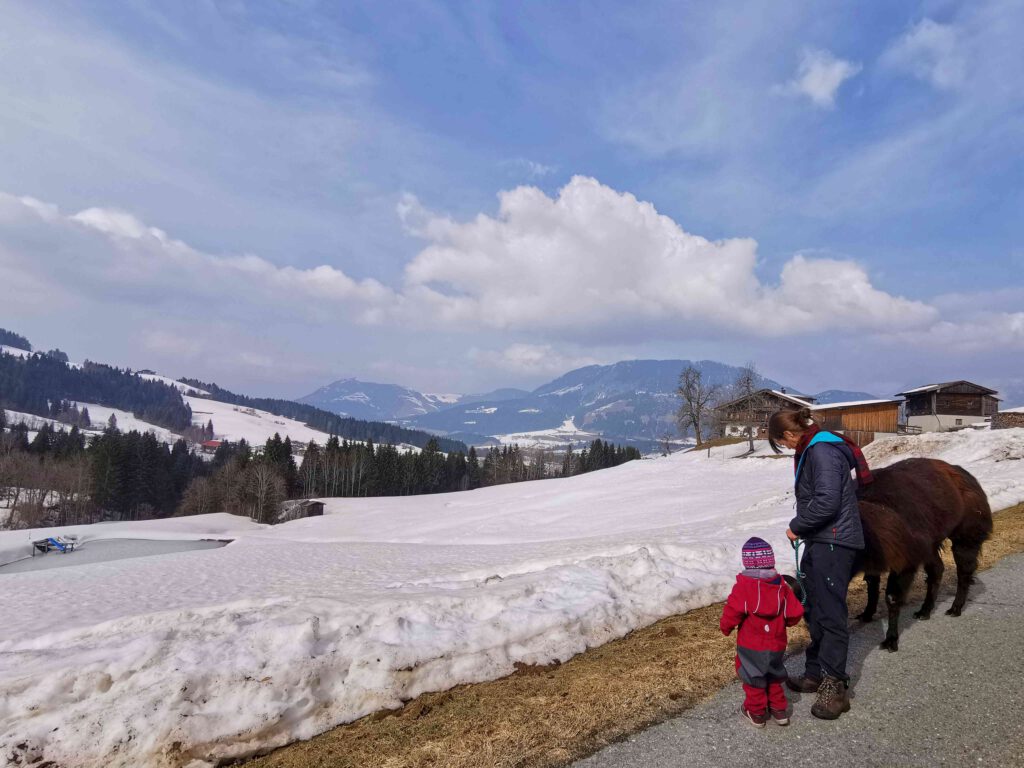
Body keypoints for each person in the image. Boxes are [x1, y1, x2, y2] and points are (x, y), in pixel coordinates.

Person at [767, 406, 871, 720]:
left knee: (831, 611)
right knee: (814, 608)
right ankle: (815, 672)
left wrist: (798, 525)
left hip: (834, 540)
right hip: (822, 537)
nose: (783, 448)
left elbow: (828, 501)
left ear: (788, 434)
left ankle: (835, 686)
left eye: (780, 442)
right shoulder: (814, 448)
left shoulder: (822, 450)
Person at [720, 536, 804, 728]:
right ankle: (779, 710)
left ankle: (756, 711)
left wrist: (726, 627)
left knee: (753, 676)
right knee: (774, 673)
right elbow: (796, 612)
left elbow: (732, 610)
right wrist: (788, 622)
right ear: (770, 560)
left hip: (751, 644)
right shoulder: (781, 585)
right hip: (776, 642)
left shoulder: (744, 586)